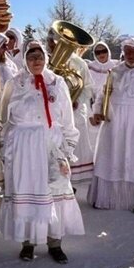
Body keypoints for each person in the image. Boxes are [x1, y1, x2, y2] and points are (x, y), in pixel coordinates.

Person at [0, 41, 83, 263]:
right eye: (31, 57)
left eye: (39, 56)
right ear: (25, 60)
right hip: (23, 147)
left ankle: (55, 242)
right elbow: (3, 118)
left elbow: (67, 118)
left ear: (46, 58)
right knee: (26, 191)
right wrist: (3, 146)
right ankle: (28, 242)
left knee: (54, 189)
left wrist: (69, 146)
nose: (36, 61)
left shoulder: (58, 82)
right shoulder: (14, 83)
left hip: (51, 143)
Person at [88, 38, 134, 213]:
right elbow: (102, 94)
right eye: (127, 51)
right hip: (114, 122)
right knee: (111, 156)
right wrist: (97, 111)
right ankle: (107, 198)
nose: (131, 55)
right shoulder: (115, 71)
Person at [47, 27, 94, 189]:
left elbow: (87, 87)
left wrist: (76, 100)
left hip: (74, 111)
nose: (52, 44)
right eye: (51, 41)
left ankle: (71, 184)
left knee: (72, 145)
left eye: (56, 41)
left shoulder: (79, 63)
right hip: (52, 113)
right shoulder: (45, 61)